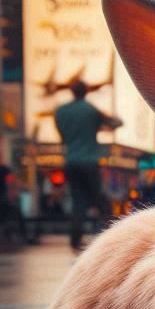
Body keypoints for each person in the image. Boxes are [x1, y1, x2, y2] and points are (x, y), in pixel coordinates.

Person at [53, 80, 121, 250]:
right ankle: (113, 238)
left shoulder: (61, 111)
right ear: (86, 92)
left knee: (78, 202)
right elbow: (116, 123)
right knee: (99, 200)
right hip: (89, 162)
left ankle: (75, 240)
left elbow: (63, 136)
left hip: (71, 161)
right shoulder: (90, 110)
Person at [0, 150, 27, 243]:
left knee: (13, 211)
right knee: (13, 211)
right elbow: (10, 181)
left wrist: (12, 191)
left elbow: (10, 181)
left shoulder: (1, 169)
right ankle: (18, 233)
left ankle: (19, 233)